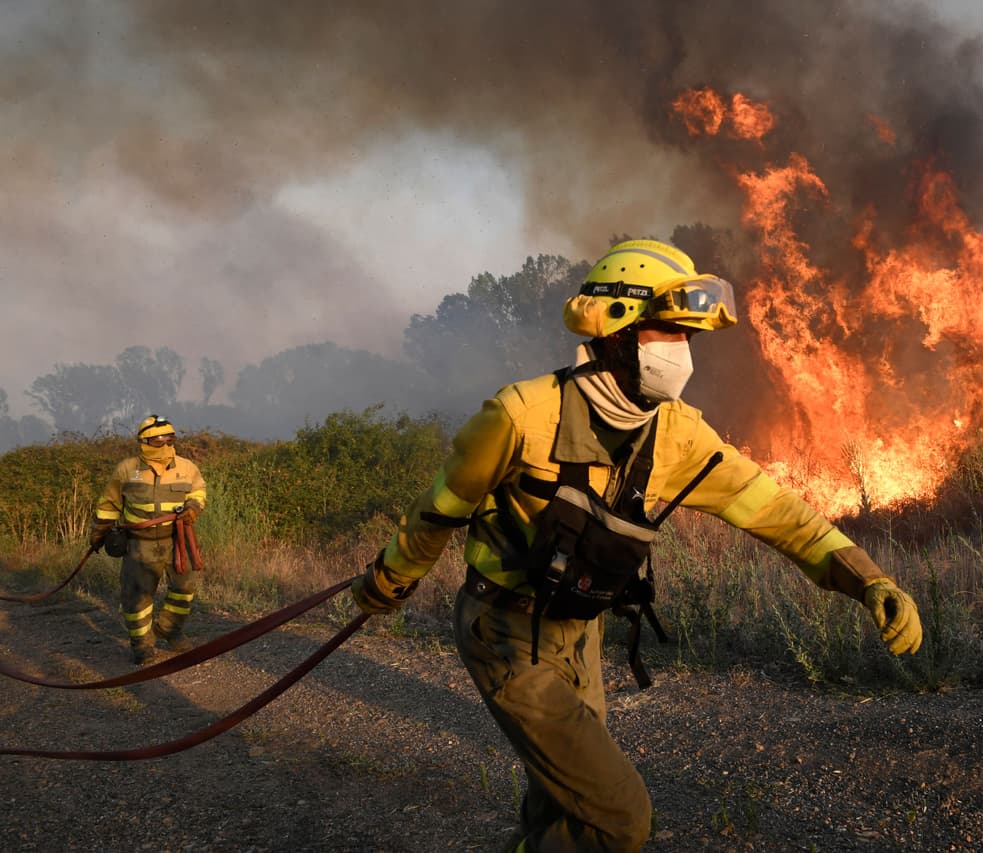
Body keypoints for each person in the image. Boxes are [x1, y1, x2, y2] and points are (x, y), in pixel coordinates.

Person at [350, 239, 923, 852]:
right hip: (505, 633)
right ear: (619, 330)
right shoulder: (519, 416)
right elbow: (441, 510)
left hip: (579, 633)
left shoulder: (679, 436)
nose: (681, 354)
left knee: (564, 804)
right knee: (617, 816)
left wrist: (867, 579)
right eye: (668, 333)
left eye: (687, 339)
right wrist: (389, 579)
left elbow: (776, 512)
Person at [91, 415, 207, 665]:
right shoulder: (126, 469)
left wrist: (193, 506)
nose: (164, 444)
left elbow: (198, 491)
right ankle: (142, 644)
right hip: (139, 543)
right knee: (137, 596)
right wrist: (100, 533)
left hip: (177, 540)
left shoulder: (186, 467)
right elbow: (110, 504)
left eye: (169, 438)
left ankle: (169, 629)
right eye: (157, 440)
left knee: (184, 589)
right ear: (144, 441)